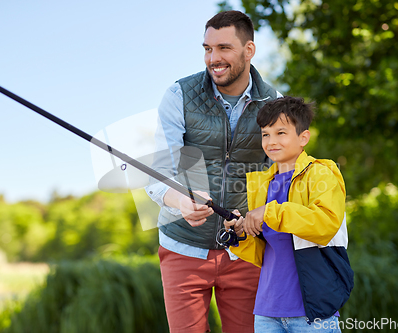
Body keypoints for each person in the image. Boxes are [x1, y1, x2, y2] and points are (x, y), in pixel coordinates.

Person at [145, 10, 281, 333]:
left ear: (249, 51)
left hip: (245, 250)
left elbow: (283, 177)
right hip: (183, 246)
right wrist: (180, 201)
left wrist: (263, 215)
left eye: (223, 48)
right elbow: (158, 174)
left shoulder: (274, 103)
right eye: (207, 49)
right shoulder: (179, 96)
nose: (213, 58)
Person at [225, 96, 353, 332]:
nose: (271, 141)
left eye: (281, 132)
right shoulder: (263, 183)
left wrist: (270, 212)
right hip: (266, 312)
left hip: (312, 313)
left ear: (303, 137)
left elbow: (325, 224)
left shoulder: (321, 174)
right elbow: (265, 252)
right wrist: (241, 231)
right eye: (266, 134)